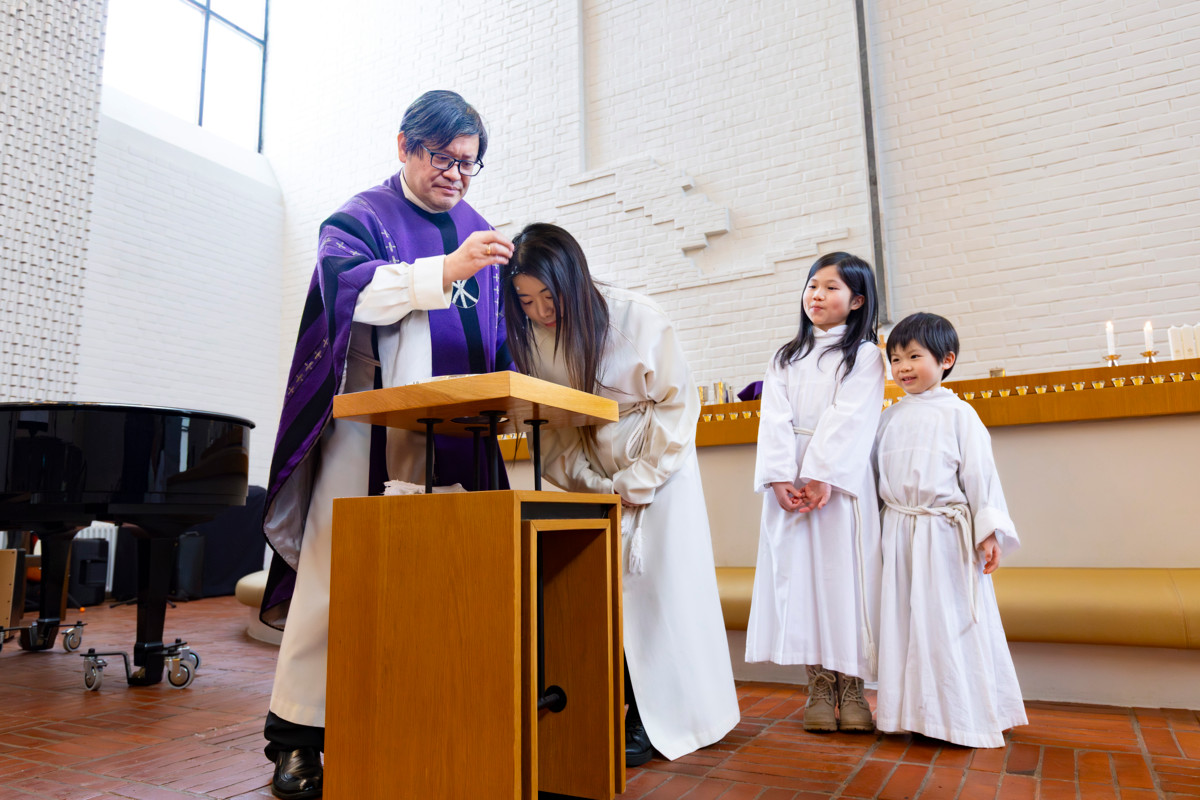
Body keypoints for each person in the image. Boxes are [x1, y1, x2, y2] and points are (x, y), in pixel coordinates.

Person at [259, 90, 514, 800]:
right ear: (405, 144)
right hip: (367, 433)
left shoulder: (480, 229)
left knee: (442, 580)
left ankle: (416, 717)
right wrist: (447, 270)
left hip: (453, 439)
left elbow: (495, 334)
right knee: (335, 577)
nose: (457, 176)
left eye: (469, 164)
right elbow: (353, 298)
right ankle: (299, 737)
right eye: (443, 157)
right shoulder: (360, 217)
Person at [501, 223, 740, 766]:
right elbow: (555, 428)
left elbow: (679, 404)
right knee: (605, 596)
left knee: (663, 595)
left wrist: (638, 480)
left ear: (574, 281)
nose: (541, 312)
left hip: (659, 471)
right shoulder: (532, 338)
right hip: (598, 475)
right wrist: (595, 484)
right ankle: (622, 707)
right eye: (526, 301)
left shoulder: (635, 316)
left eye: (549, 298)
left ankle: (673, 719)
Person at [744, 252, 885, 733]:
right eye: (812, 286)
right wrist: (782, 476)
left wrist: (823, 473)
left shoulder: (865, 355)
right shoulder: (785, 356)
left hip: (840, 488)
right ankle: (818, 685)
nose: (817, 295)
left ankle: (853, 686)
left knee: (845, 581)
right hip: (792, 489)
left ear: (856, 300)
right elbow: (774, 419)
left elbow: (852, 416)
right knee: (799, 581)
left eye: (830, 288)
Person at [873, 312, 1027, 747]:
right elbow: (872, 479)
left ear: (946, 360)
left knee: (949, 621)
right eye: (896, 358)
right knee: (906, 622)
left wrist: (988, 530)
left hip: (945, 536)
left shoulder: (961, 415)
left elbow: (981, 477)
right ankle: (912, 714)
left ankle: (965, 715)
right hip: (899, 533)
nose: (903, 367)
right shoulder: (887, 418)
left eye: (914, 356)